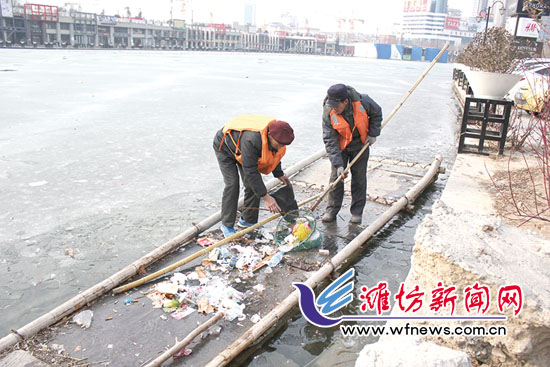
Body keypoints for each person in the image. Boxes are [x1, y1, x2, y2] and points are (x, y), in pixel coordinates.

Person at [213, 115, 295, 237]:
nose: (280, 147)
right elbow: (251, 171)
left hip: (243, 150)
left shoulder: (276, 141)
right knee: (232, 184)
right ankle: (226, 224)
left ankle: (248, 220)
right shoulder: (252, 140)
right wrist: (266, 197)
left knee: (252, 185)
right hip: (225, 147)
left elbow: (274, 154)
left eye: (283, 145)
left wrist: (279, 173)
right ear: (270, 136)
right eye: (279, 143)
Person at [321, 83, 383, 224]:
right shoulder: (328, 111)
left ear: (345, 101)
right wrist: (338, 164)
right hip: (341, 146)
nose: (334, 109)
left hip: (360, 145)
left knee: (359, 179)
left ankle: (356, 212)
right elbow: (329, 139)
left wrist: (373, 133)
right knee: (336, 179)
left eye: (337, 105)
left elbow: (377, 113)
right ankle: (332, 210)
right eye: (332, 105)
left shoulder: (364, 101)